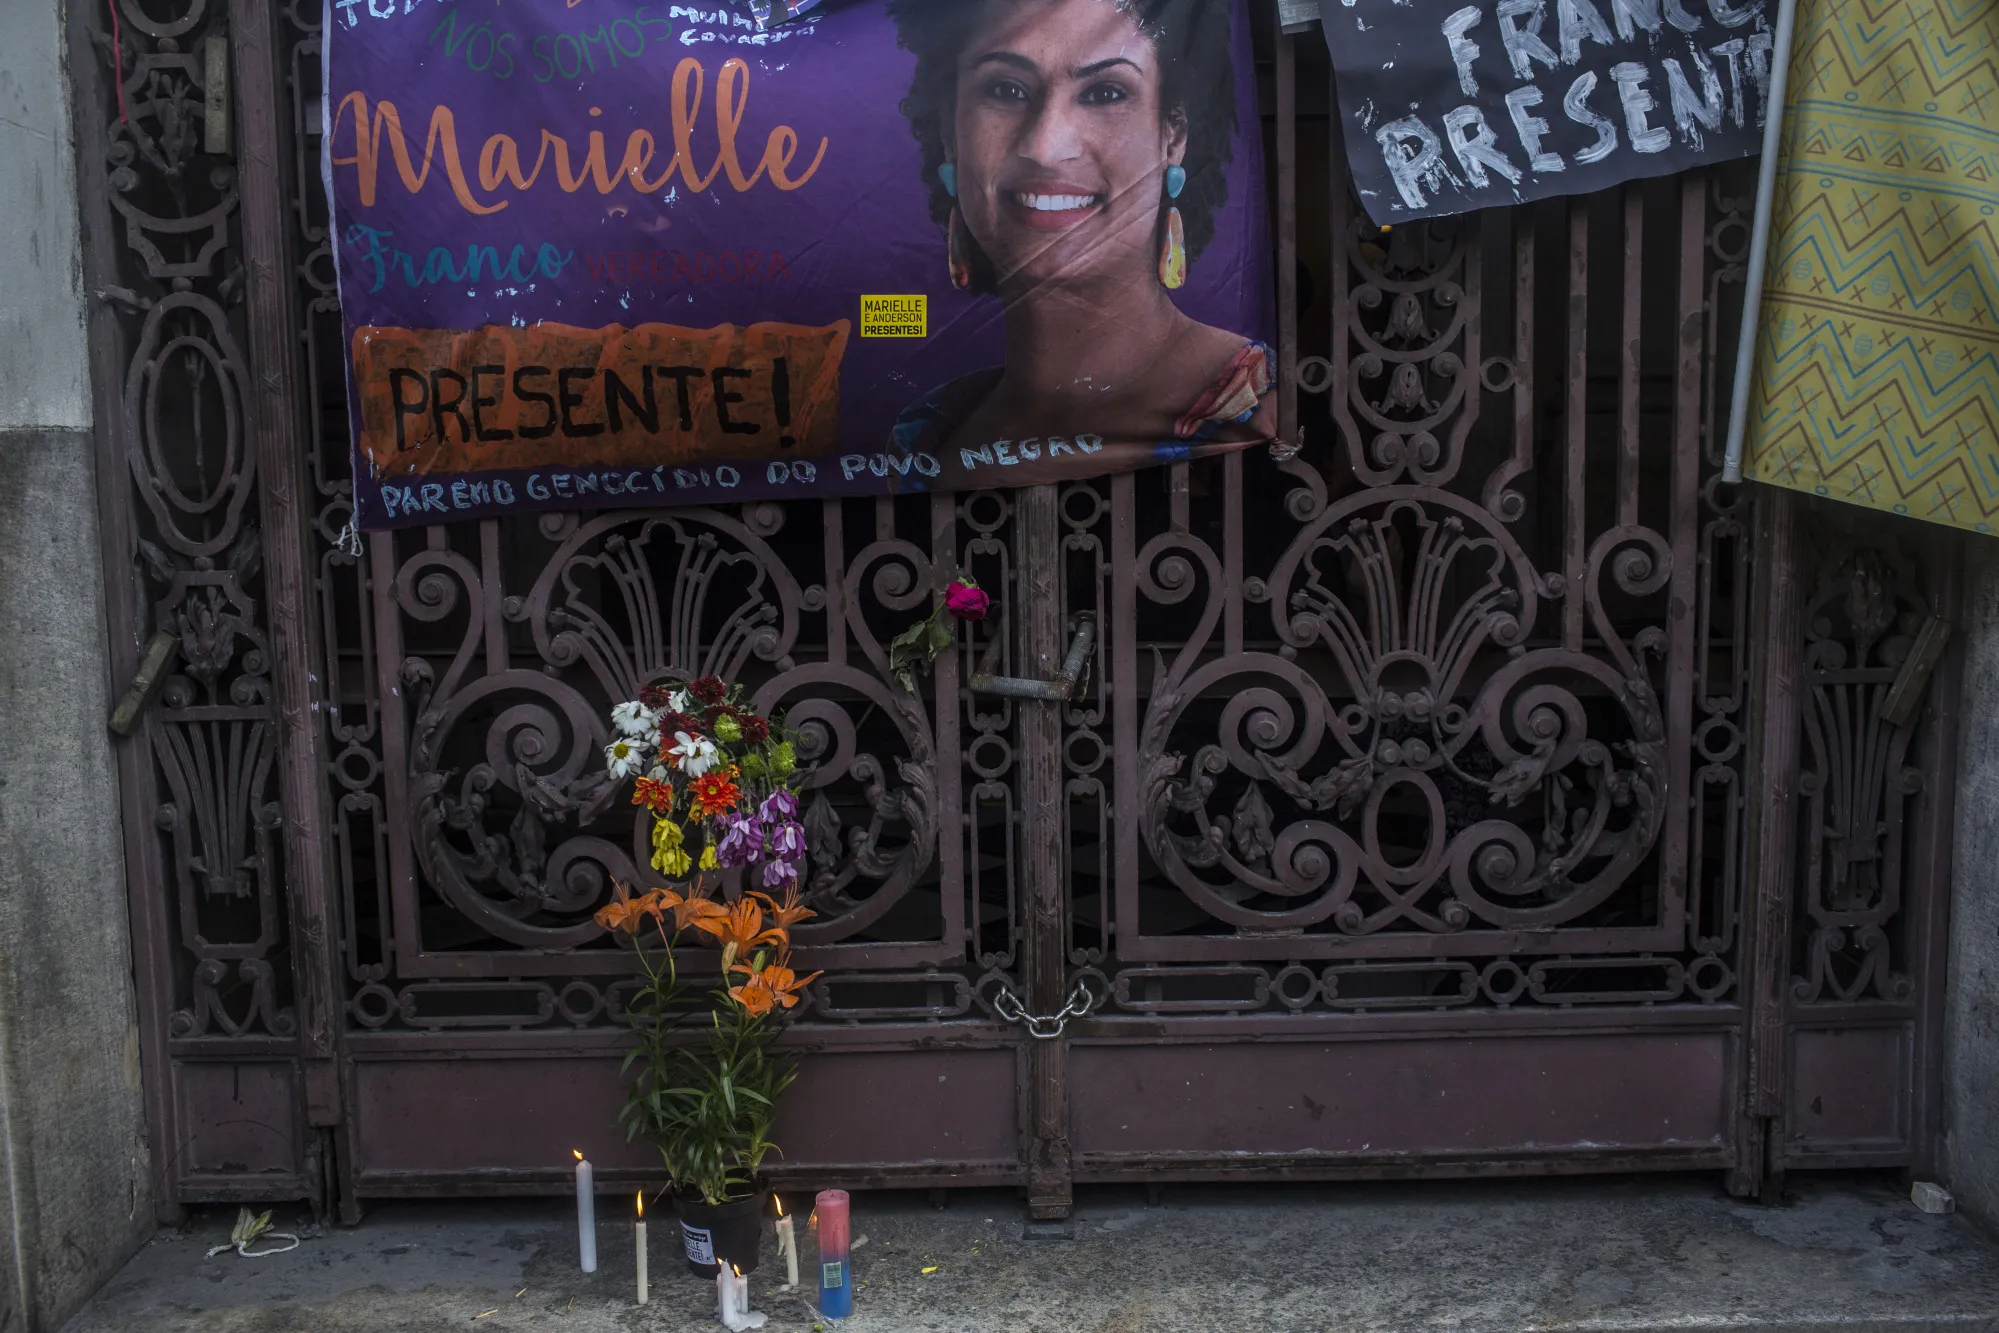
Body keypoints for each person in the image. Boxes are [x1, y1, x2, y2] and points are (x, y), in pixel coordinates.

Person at [887, 0, 1272, 464]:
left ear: (1173, 136)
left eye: (1105, 93)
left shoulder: (1259, 405)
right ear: (951, 132)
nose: (1046, 147)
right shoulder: (923, 437)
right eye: (1006, 89)